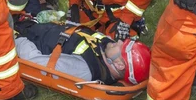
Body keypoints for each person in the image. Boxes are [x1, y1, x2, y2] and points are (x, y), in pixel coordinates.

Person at [15, 22, 151, 85]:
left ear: (119, 65)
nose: (120, 42)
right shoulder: (108, 49)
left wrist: (17, 38)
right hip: (39, 25)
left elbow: (34, 61)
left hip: (27, 35)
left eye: (123, 47)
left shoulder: (84, 68)